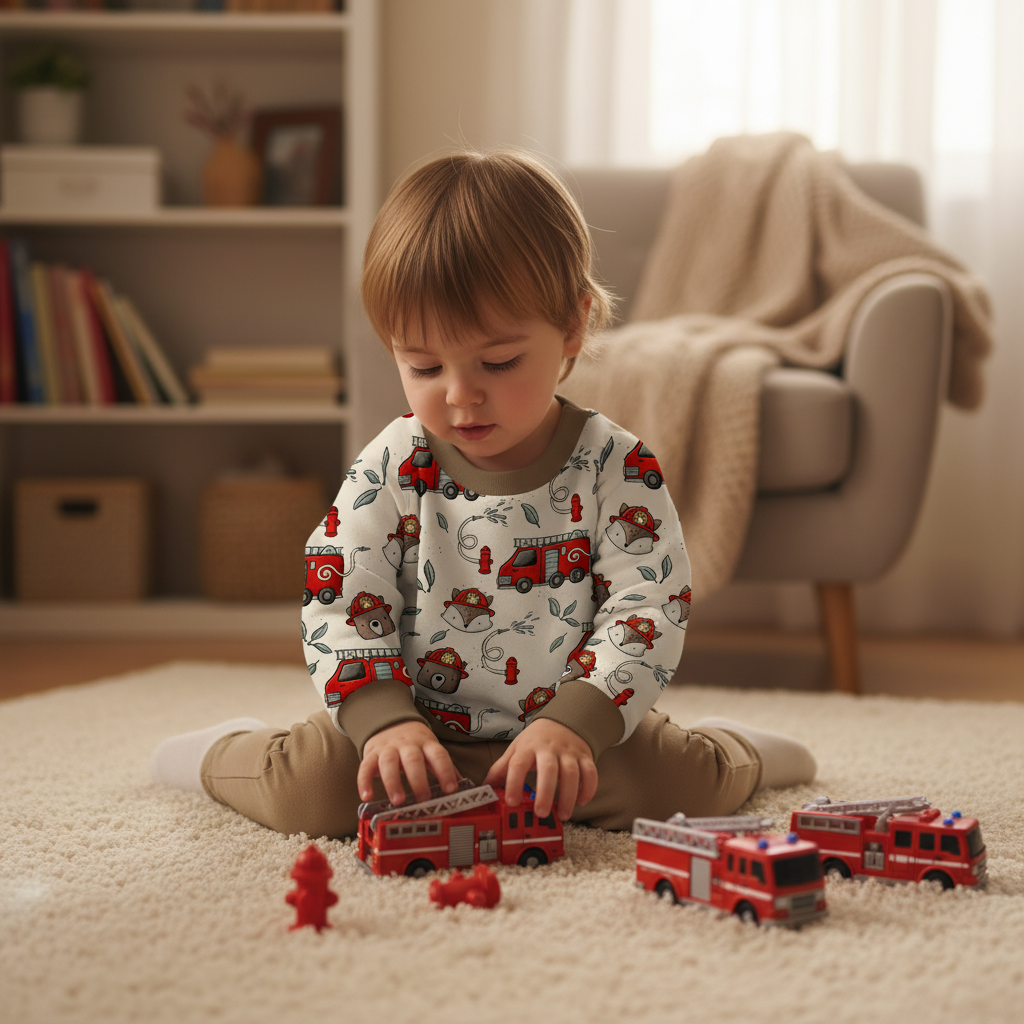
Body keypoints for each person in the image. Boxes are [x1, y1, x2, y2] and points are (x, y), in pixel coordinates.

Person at [150, 149, 815, 838]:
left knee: (674, 784)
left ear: (573, 327)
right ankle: (220, 751)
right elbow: (345, 595)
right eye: (424, 365)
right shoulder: (392, 465)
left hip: (568, 734)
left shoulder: (615, 466)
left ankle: (737, 750)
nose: (461, 394)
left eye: (498, 362)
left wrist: (576, 723)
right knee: (309, 792)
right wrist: (384, 722)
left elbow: (647, 607)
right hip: (414, 726)